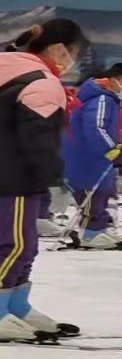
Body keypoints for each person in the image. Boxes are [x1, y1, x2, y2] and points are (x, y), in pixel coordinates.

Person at [0, 19, 85, 338]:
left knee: (26, 246)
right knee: (14, 246)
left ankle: (14, 303)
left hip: (8, 176)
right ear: (59, 49)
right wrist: (56, 181)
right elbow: (38, 139)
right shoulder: (41, 82)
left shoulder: (15, 75)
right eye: (73, 52)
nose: (73, 58)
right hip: (11, 178)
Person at [63, 62, 122, 249]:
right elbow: (96, 126)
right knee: (92, 191)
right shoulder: (102, 99)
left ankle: (98, 229)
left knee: (101, 192)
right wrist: (111, 148)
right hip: (87, 157)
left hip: (93, 157)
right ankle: (91, 233)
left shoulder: (105, 98)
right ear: (116, 80)